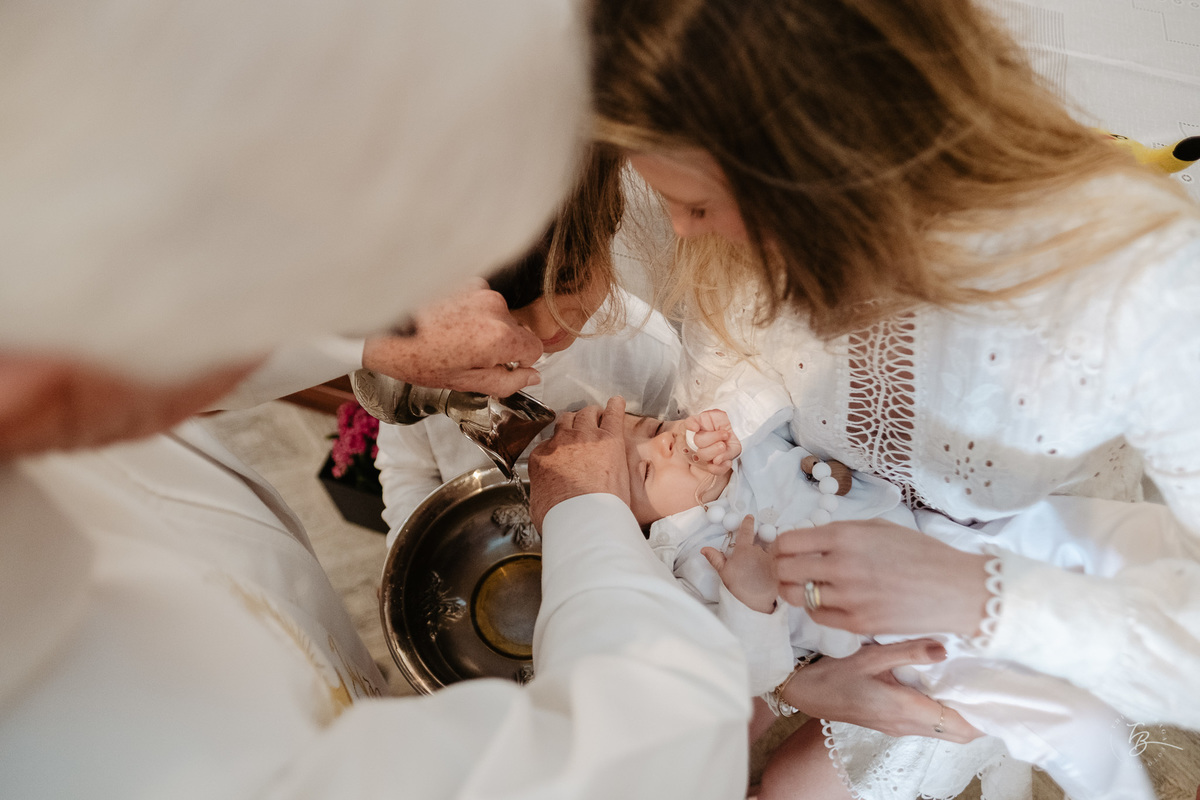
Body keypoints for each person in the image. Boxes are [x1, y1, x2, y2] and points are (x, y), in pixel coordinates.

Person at [0, 3, 752, 798]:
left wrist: (360, 341)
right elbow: (660, 749)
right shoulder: (86, 739)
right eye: (264, 302)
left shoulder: (64, 355)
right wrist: (588, 513)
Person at [586, 0, 1200, 796]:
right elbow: (727, 406)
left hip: (1037, 604)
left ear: (822, 162)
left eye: (699, 206)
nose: (685, 233)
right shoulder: (741, 243)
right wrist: (792, 679)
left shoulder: (1140, 287)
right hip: (828, 628)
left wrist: (974, 594)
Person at [624, 405, 1191, 799]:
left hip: (934, 539)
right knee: (1008, 690)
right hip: (886, 642)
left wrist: (837, 479)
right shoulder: (688, 563)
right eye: (646, 467)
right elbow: (757, 667)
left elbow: (873, 489)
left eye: (651, 427)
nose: (664, 441)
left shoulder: (754, 454)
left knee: (1069, 548)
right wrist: (753, 601)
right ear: (638, 522)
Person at [376, 147, 681, 545]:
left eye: (567, 286)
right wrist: (410, 545)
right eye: (509, 309)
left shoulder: (648, 354)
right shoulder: (429, 357)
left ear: (606, 239)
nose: (546, 327)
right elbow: (407, 472)